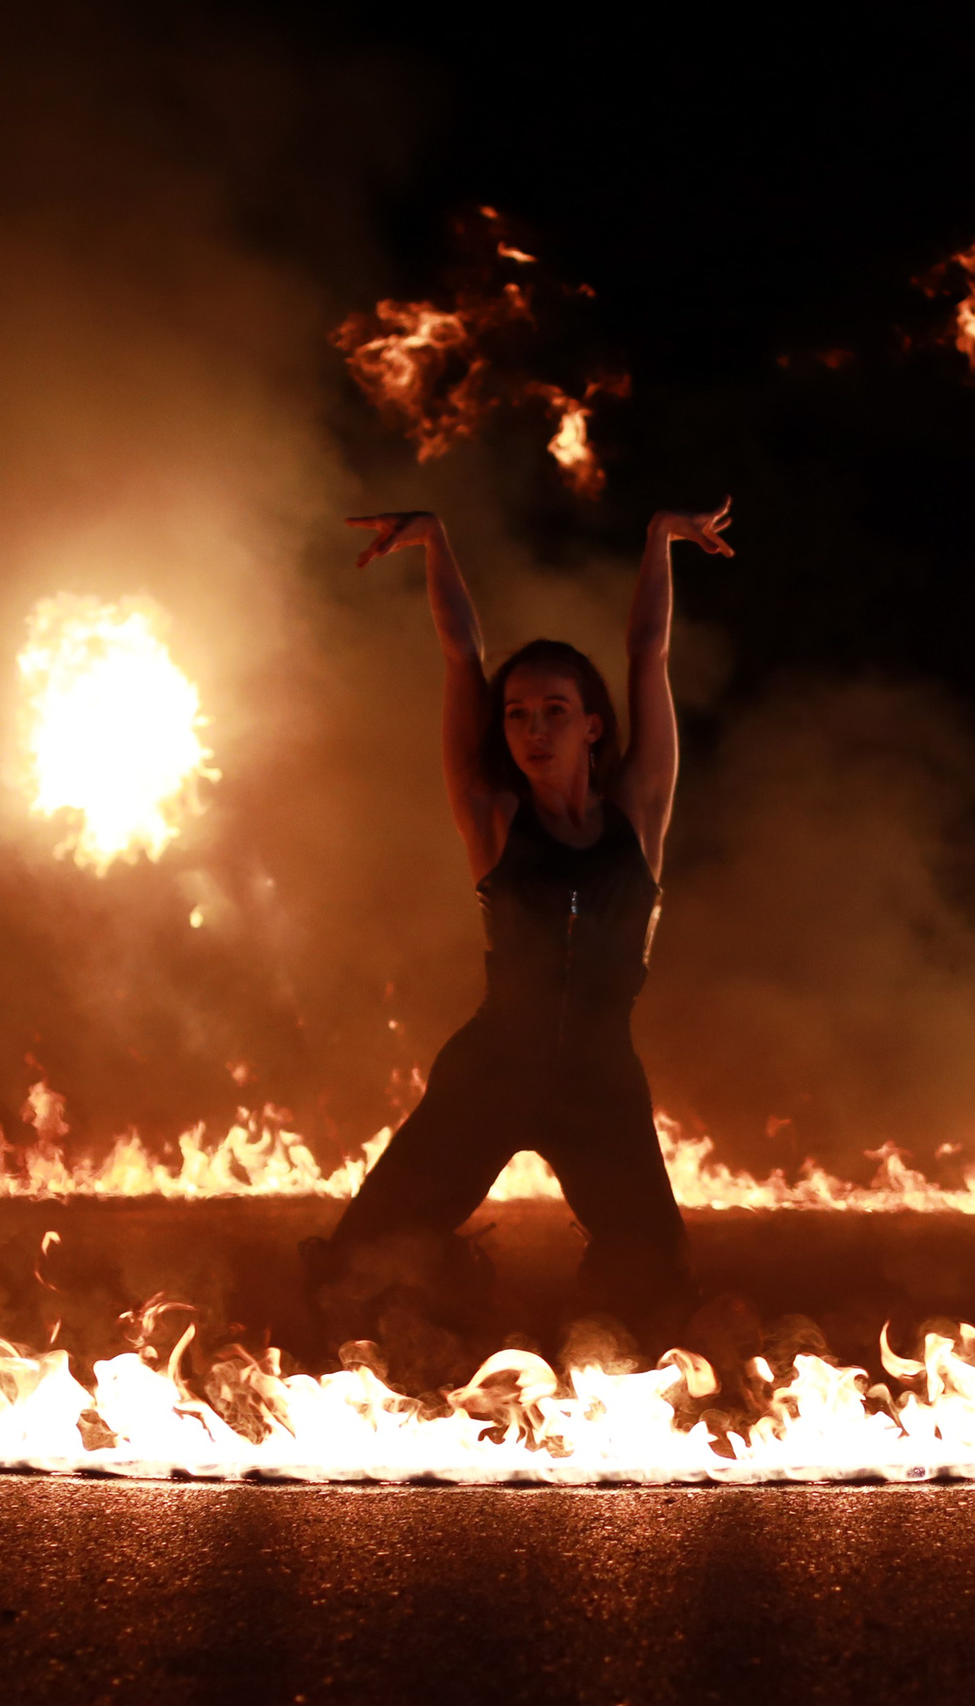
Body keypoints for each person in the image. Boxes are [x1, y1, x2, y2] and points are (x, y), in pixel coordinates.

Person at [306, 500, 735, 1350]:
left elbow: (647, 653)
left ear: (592, 723)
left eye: (554, 711)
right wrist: (437, 538)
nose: (533, 729)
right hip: (492, 1070)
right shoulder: (492, 816)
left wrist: (657, 537)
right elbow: (461, 657)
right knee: (358, 1266)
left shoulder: (639, 812)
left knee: (659, 1283)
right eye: (516, 714)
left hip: (600, 1080)